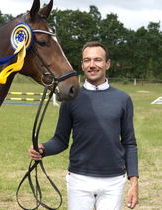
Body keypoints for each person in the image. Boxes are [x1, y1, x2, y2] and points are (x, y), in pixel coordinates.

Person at [29, 41, 139, 210]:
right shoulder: (71, 98)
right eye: (87, 60)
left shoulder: (123, 99)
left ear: (107, 64)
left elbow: (129, 143)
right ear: (82, 65)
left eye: (97, 60)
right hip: (79, 181)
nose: (92, 65)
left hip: (114, 182)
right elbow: (60, 139)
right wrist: (43, 149)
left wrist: (134, 182)